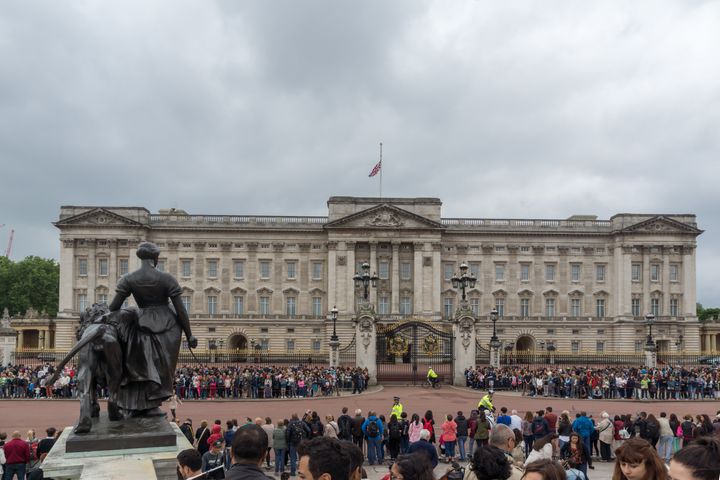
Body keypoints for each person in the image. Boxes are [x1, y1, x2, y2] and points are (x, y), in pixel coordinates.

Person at [108, 242, 198, 415]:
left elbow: (114, 307)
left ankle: (136, 406)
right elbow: (180, 309)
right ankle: (151, 404)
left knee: (140, 363)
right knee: (162, 365)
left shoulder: (128, 278)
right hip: (168, 324)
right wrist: (189, 334)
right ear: (155, 258)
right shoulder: (166, 278)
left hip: (141, 322)